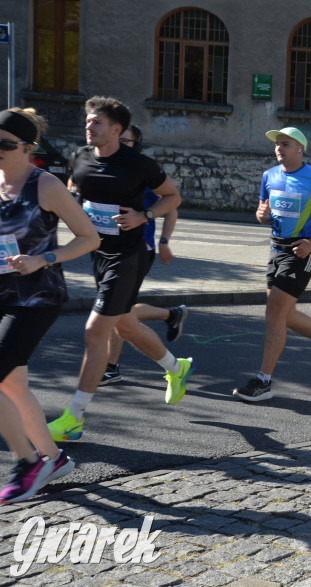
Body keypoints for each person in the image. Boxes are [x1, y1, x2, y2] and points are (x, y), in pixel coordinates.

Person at [48, 97, 188, 442]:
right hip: (98, 253)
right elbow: (74, 188)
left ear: (117, 129)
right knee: (125, 325)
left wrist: (144, 216)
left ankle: (74, 419)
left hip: (129, 255)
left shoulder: (138, 164)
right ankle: (176, 368)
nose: (88, 126)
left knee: (95, 332)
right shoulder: (80, 157)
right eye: (88, 121)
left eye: (96, 122)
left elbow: (173, 197)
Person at [0, 108, 98, 503]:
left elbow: (89, 237)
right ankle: (54, 458)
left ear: (27, 148)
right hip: (3, 294)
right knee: (14, 385)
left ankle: (28, 462)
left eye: (5, 145)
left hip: (37, 297)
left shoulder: (46, 185)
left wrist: (45, 258)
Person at [232, 127, 311, 402]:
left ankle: (263, 381)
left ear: (300, 149)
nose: (279, 148)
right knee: (285, 314)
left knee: (274, 313)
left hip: (302, 251)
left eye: (285, 144)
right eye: (277, 144)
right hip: (276, 249)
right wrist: (261, 215)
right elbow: (265, 216)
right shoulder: (268, 176)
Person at [99, 125, 187, 386]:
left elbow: (172, 207)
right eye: (119, 139)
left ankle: (111, 367)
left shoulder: (142, 170)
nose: (122, 144)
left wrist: (164, 242)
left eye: (128, 141)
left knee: (116, 311)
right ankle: (171, 315)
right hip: (108, 251)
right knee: (120, 310)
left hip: (139, 250)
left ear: (135, 145)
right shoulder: (103, 167)